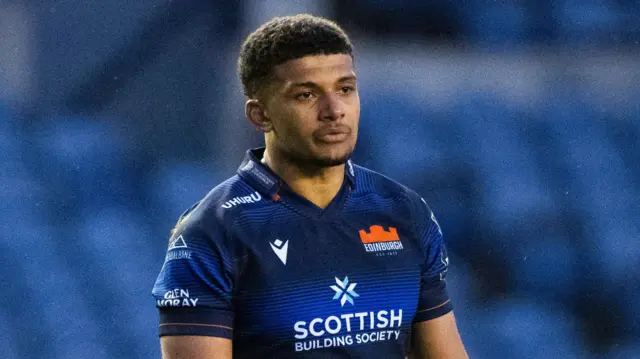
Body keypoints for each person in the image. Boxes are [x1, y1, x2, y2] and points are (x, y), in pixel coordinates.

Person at [152, 14, 468, 359]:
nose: (334, 110)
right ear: (260, 115)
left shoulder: (403, 210)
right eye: (306, 95)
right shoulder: (211, 234)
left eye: (345, 89)